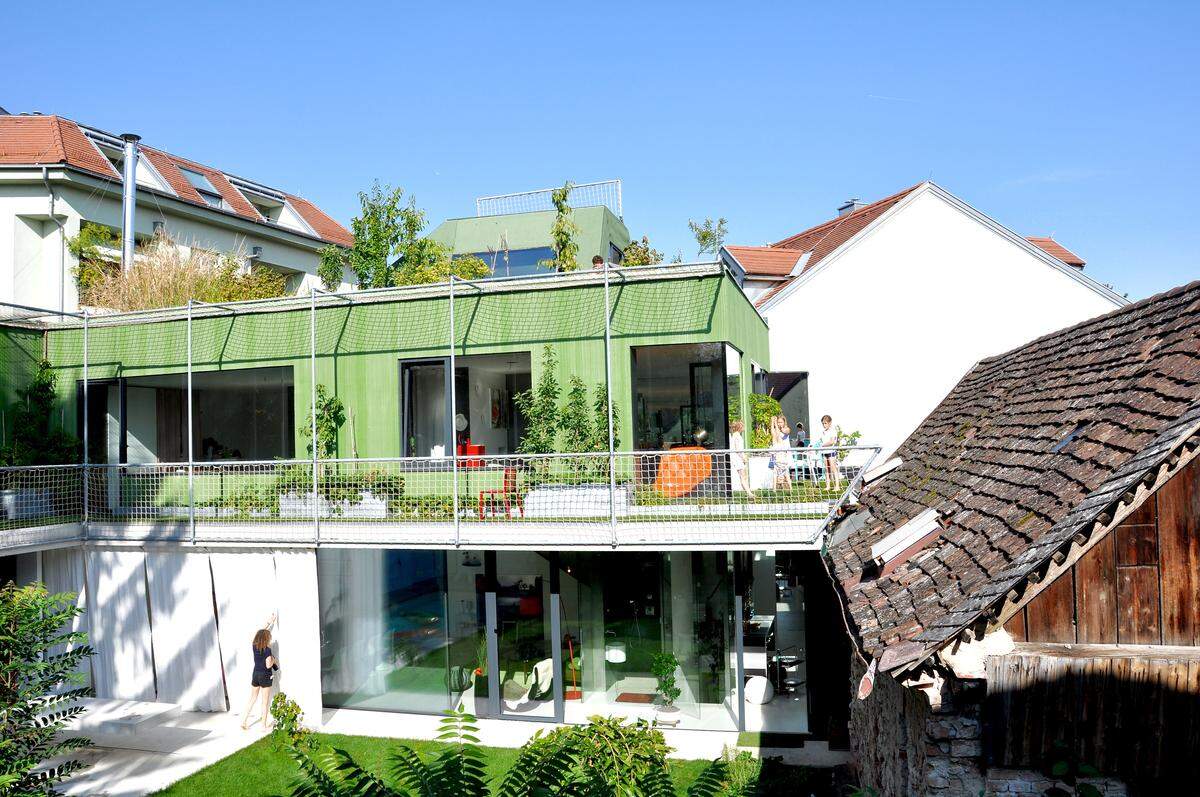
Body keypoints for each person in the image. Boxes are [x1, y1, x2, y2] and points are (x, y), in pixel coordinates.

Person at [241, 612, 279, 730]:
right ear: (266, 639)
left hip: (255, 674)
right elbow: (268, 665)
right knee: (265, 701)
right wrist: (274, 660)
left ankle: (243, 721)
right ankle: (263, 725)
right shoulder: (267, 650)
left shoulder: (254, 645)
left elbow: (260, 632)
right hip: (265, 676)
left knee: (252, 698)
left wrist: (269, 622)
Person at [769, 414, 793, 490]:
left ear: (784, 422)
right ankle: (778, 486)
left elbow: (784, 431)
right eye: (778, 422)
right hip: (777, 453)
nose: (780, 424)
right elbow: (774, 433)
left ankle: (787, 486)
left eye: (781, 422)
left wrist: (777, 425)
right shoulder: (776, 431)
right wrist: (773, 423)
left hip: (784, 453)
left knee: (786, 473)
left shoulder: (786, 429)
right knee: (776, 472)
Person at [729, 420, 753, 495]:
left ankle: (748, 492)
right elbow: (738, 449)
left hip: (738, 457)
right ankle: (749, 493)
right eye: (743, 426)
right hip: (737, 458)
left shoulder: (736, 435)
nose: (744, 428)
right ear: (740, 427)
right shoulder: (737, 436)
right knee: (743, 476)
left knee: (744, 475)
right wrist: (743, 457)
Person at [818, 414, 842, 489]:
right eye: (823, 423)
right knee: (827, 469)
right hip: (824, 452)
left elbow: (831, 442)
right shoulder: (823, 432)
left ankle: (837, 486)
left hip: (831, 452)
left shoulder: (833, 431)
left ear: (830, 423)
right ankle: (828, 486)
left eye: (825, 423)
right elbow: (820, 441)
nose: (824, 425)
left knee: (833, 468)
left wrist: (822, 445)